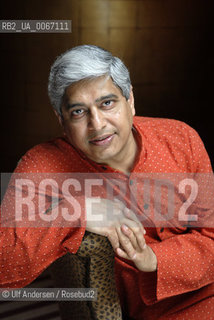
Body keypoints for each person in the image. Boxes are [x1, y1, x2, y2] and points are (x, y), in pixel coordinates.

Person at [1, 45, 214, 319]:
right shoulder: (43, 166)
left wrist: (154, 260)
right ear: (61, 120)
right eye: (78, 112)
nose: (97, 124)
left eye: (107, 103)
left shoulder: (181, 138)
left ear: (131, 101)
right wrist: (78, 211)